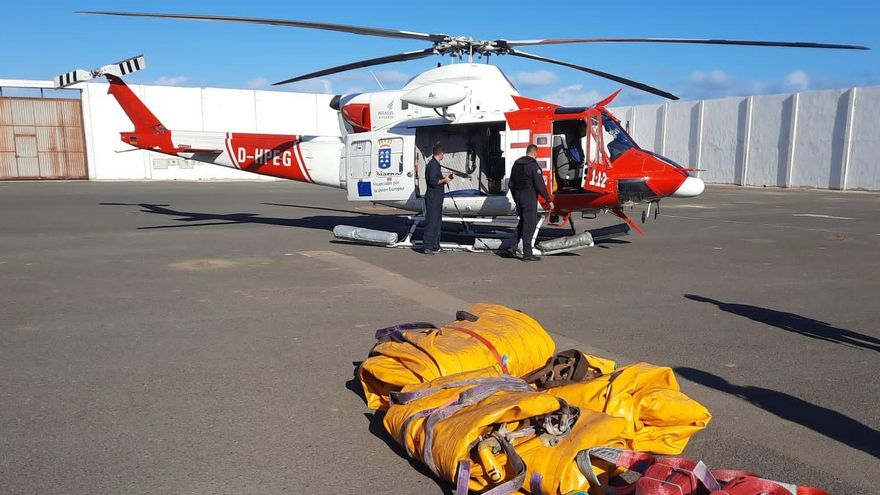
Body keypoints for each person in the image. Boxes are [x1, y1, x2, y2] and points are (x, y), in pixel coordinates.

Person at [509, 144, 554, 261]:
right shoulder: (533, 165)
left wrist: (516, 198)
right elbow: (539, 185)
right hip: (528, 197)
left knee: (523, 222)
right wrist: (548, 200)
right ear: (535, 153)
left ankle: (512, 246)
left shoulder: (516, 164)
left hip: (518, 196)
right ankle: (527, 254)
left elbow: (511, 184)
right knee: (530, 224)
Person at [422, 144, 454, 255]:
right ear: (440, 154)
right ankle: (427, 246)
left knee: (437, 222)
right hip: (433, 197)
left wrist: (445, 179)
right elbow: (433, 182)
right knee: (431, 221)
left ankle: (435, 245)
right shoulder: (433, 165)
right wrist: (445, 180)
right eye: (443, 153)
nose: (443, 155)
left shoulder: (435, 165)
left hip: (437, 197)